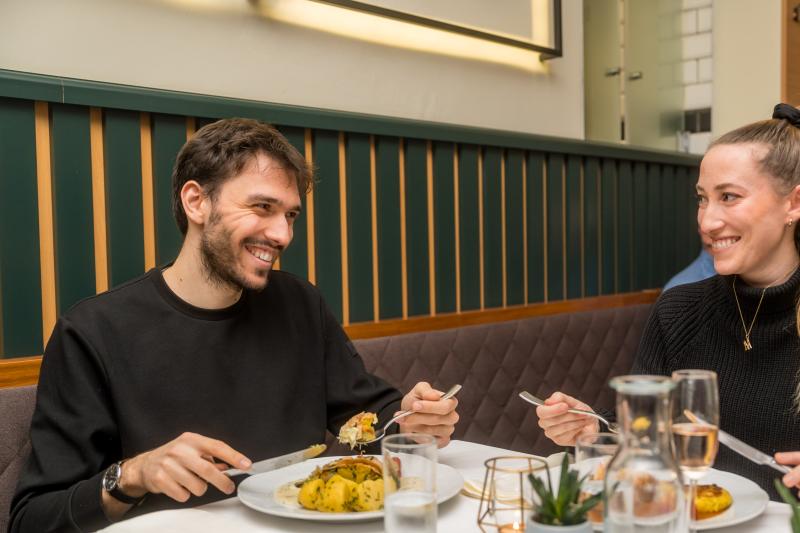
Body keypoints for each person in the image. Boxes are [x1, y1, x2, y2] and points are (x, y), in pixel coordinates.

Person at [8, 118, 459, 532]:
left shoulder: (300, 302)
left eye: (290, 215)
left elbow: (373, 419)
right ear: (196, 201)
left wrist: (413, 423)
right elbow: (33, 519)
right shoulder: (93, 331)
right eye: (262, 206)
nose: (282, 235)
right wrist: (134, 474)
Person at [534, 103, 800, 501]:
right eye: (702, 199)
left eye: (729, 197)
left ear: (793, 204)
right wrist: (595, 430)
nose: (707, 222)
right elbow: (646, 432)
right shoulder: (679, 309)